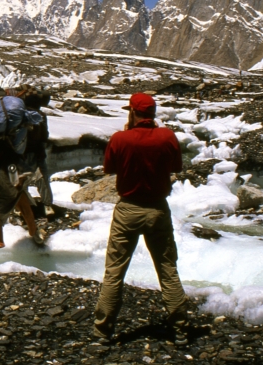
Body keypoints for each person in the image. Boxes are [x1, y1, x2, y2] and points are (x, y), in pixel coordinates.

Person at [93, 93, 190, 340]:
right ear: (153, 113)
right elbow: (176, 167)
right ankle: (179, 328)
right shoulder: (167, 136)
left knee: (114, 270)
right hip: (158, 208)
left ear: (133, 112)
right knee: (168, 268)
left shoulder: (120, 139)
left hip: (128, 209)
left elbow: (110, 168)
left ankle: (102, 330)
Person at [22, 91, 55, 215]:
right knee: (42, 177)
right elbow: (44, 134)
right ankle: (47, 205)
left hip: (23, 152)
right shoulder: (40, 115)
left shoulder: (21, 115)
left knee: (21, 179)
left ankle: (26, 203)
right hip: (37, 151)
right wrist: (42, 147)